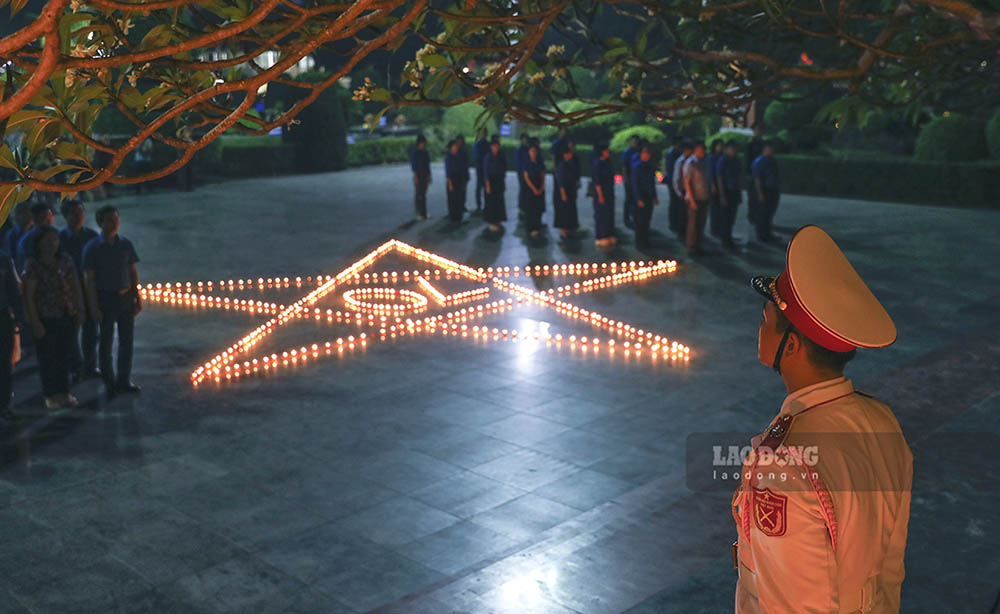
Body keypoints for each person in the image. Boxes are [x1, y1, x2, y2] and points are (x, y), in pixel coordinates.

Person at [738, 225, 911, 614]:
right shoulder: (881, 420)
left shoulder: (784, 463)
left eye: (766, 321)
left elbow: (792, 602)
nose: (759, 330)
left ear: (792, 345)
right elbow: (890, 568)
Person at [22, 226, 85, 410]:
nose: (52, 244)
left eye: (55, 240)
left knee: (64, 356)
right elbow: (29, 296)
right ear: (39, 243)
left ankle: (64, 392)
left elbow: (74, 285)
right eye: (48, 240)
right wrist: (34, 322)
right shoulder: (33, 265)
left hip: (66, 314)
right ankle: (51, 394)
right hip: (45, 317)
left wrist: (79, 309)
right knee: (48, 357)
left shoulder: (65, 260)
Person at [82, 206, 141, 400]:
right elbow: (89, 280)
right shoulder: (92, 248)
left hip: (125, 298)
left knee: (127, 341)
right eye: (109, 219)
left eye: (116, 219)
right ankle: (109, 381)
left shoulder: (125, 244)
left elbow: (132, 272)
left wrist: (136, 297)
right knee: (106, 343)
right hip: (105, 299)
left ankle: (124, 380)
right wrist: (94, 306)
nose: (114, 223)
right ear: (100, 223)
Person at [59, 199, 100, 379]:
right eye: (74, 214)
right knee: (70, 332)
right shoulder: (59, 239)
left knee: (91, 331)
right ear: (66, 216)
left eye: (81, 213)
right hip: (67, 291)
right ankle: (75, 366)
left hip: (88, 290)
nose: (78, 217)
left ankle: (90, 366)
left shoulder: (91, 236)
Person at [0, 250, 24, 422]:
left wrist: (19, 316)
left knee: (4, 363)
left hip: (2, 315)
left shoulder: (4, 259)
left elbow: (13, 290)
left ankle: (3, 405)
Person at [683, 141, 711, 255]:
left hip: (704, 196)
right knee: (693, 224)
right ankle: (691, 247)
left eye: (703, 150)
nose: (702, 152)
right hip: (693, 198)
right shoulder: (690, 163)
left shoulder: (704, 162)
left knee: (701, 223)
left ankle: (698, 245)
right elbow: (687, 182)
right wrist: (692, 199)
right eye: (699, 149)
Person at [715, 141, 743, 249]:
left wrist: (739, 193)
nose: (733, 151)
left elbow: (739, 177)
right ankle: (725, 239)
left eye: (734, 149)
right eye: (731, 149)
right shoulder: (723, 161)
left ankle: (728, 236)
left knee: (732, 216)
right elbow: (719, 178)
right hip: (726, 190)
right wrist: (722, 195)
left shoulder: (736, 160)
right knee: (725, 216)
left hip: (734, 190)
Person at [751, 141, 780, 242]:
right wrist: (760, 193)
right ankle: (761, 234)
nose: (771, 151)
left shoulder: (772, 160)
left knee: (769, 213)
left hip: (773, 189)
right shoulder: (759, 161)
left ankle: (767, 232)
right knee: (763, 213)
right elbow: (757, 178)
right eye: (769, 149)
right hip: (765, 189)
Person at [631, 142, 658, 250]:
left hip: (649, 196)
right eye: (644, 153)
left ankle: (645, 241)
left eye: (648, 153)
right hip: (641, 197)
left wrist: (655, 196)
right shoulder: (637, 167)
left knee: (647, 220)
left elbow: (652, 182)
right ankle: (639, 242)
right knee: (640, 221)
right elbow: (635, 184)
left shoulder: (650, 166)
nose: (646, 155)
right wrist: (638, 198)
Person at [17, 202, 55, 273]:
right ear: (35, 219)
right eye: (45, 217)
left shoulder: (56, 235)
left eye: (51, 217)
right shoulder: (27, 241)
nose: (49, 220)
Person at [554, 140, 581, 241]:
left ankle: (569, 229)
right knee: (564, 211)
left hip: (571, 190)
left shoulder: (570, 163)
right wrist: (563, 193)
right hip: (564, 191)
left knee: (570, 210)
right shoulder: (562, 165)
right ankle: (564, 231)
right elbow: (560, 181)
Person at [592, 142, 616, 248]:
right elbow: (597, 181)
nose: (608, 152)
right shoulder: (598, 164)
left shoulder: (608, 162)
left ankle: (609, 233)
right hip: (601, 192)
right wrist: (600, 195)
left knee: (609, 214)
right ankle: (601, 236)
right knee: (601, 214)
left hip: (609, 191)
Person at [520, 139, 546, 237]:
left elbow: (543, 175)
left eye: (535, 152)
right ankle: (530, 227)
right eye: (531, 152)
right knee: (530, 208)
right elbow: (526, 177)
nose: (533, 153)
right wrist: (533, 188)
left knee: (538, 208)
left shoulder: (540, 162)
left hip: (539, 186)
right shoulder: (527, 163)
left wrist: (541, 187)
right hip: (530, 188)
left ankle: (537, 226)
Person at [483, 136, 507, 232]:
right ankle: (492, 222)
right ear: (491, 147)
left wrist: (504, 182)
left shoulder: (501, 156)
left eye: (497, 146)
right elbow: (486, 172)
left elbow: (503, 170)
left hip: (499, 181)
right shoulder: (488, 157)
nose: (496, 148)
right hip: (491, 181)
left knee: (499, 201)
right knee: (491, 202)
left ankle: (498, 221)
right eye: (494, 146)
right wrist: (487, 185)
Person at [663, 136, 685, 235]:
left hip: (674, 180)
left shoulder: (672, 153)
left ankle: (675, 223)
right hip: (673, 180)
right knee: (674, 203)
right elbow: (671, 169)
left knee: (675, 203)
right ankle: (674, 223)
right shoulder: (673, 154)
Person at [671, 141, 693, 239]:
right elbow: (676, 178)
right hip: (683, 190)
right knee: (682, 213)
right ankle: (681, 232)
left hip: (690, 190)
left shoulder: (692, 161)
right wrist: (679, 192)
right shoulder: (680, 161)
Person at [5, 201, 35, 270]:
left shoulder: (36, 233)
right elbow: (9, 255)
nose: (26, 216)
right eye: (23, 213)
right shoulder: (11, 234)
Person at [745, 123, 765, 225]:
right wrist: (748, 173)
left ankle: (759, 216)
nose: (759, 132)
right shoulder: (751, 143)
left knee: (761, 196)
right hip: (752, 173)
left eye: (760, 130)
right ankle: (751, 216)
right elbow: (747, 159)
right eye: (757, 129)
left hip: (762, 173)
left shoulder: (763, 143)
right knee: (752, 196)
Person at [444, 139, 467, 223]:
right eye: (454, 146)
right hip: (452, 179)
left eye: (457, 146)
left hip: (459, 178)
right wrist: (450, 184)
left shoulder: (459, 156)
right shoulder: (448, 157)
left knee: (459, 198)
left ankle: (459, 216)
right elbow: (448, 171)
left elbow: (462, 169)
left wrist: (463, 182)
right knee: (452, 198)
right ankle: (453, 217)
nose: (456, 148)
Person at [621, 134, 641, 229]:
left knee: (634, 198)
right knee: (628, 198)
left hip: (635, 178)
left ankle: (634, 216)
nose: (635, 143)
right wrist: (625, 179)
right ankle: (626, 217)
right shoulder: (627, 152)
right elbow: (624, 166)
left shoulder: (637, 151)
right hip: (629, 178)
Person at [410, 135, 431, 220]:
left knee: (424, 194)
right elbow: (414, 166)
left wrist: (429, 175)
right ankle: (419, 213)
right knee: (419, 194)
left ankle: (424, 212)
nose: (423, 144)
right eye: (422, 143)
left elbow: (427, 165)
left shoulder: (425, 152)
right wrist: (415, 177)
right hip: (418, 174)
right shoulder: (415, 153)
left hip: (425, 174)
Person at [707, 139, 725, 238]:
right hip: (713, 185)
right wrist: (713, 185)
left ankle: (720, 228)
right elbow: (710, 172)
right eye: (719, 145)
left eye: (722, 145)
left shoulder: (723, 157)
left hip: (722, 185)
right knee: (714, 208)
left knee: (721, 208)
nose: (720, 147)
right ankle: (714, 229)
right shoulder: (712, 157)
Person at [473, 128, 489, 213]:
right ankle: (483, 206)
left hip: (481, 168)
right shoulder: (482, 143)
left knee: (480, 187)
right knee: (482, 187)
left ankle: (480, 206)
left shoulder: (479, 143)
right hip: (482, 168)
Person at [515, 133, 531, 221]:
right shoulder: (519, 149)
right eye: (524, 139)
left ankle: (526, 207)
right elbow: (519, 162)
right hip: (522, 172)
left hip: (527, 172)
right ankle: (522, 208)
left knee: (526, 190)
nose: (525, 141)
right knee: (523, 189)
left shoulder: (527, 149)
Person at [454, 135, 471, 212]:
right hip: (458, 173)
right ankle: (459, 205)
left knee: (463, 190)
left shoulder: (464, 150)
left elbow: (466, 163)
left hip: (463, 173)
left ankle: (462, 205)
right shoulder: (456, 151)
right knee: (458, 191)